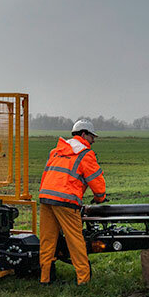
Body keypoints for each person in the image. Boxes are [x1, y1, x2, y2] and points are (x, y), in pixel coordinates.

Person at [37, 119, 107, 285]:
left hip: (46, 199)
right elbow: (97, 181)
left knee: (47, 240)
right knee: (75, 241)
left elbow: (48, 174)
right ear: (83, 134)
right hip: (66, 201)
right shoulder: (85, 154)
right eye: (91, 137)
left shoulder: (56, 151)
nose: (93, 140)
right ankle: (83, 280)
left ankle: (45, 278)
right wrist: (100, 198)